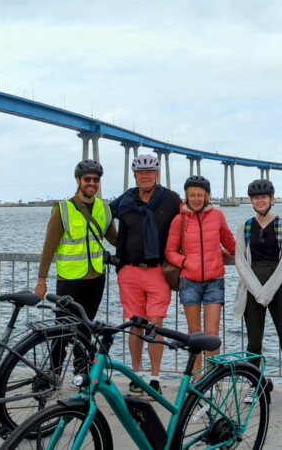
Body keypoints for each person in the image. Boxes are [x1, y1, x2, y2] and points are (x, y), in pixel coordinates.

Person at [34, 160, 117, 377]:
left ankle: (81, 374)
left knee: (86, 330)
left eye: (95, 180)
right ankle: (52, 375)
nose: (92, 183)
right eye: (87, 179)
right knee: (62, 331)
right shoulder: (63, 210)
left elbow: (116, 239)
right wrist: (41, 280)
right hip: (69, 281)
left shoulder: (104, 209)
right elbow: (49, 247)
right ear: (78, 181)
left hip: (96, 279)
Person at [110, 154, 182, 397]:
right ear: (135, 176)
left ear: (157, 174)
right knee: (134, 325)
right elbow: (102, 217)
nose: (145, 176)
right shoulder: (126, 199)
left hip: (158, 271)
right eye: (140, 173)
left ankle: (155, 376)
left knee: (155, 324)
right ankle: (136, 374)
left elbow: (189, 220)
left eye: (149, 172)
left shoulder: (171, 199)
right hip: (129, 270)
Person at [233, 179, 282, 404]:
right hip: (252, 287)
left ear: (272, 199)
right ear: (251, 201)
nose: (260, 200)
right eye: (256, 198)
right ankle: (255, 383)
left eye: (264, 197)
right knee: (254, 340)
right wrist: (257, 291)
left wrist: (267, 292)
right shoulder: (245, 227)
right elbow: (240, 261)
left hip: (279, 286)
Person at [165, 175, 235, 376]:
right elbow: (170, 251)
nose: (196, 198)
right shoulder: (179, 220)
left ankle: (212, 378)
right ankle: (196, 378)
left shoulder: (218, 216)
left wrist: (248, 256)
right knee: (194, 334)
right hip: (189, 282)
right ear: (186, 196)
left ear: (207, 196)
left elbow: (230, 243)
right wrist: (184, 262)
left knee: (212, 334)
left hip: (214, 280)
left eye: (200, 195)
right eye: (192, 195)